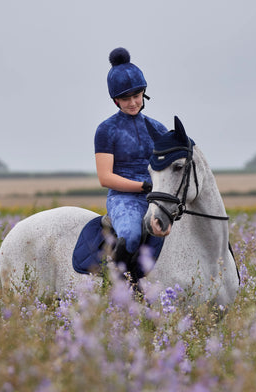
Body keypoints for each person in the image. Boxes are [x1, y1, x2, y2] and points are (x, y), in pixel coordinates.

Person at [94, 47, 167, 279]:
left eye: (137, 96)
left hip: (158, 196)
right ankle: (118, 284)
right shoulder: (106, 130)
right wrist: (143, 186)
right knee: (132, 235)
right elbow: (105, 178)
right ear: (116, 100)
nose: (133, 103)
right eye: (126, 98)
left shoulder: (158, 128)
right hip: (124, 199)